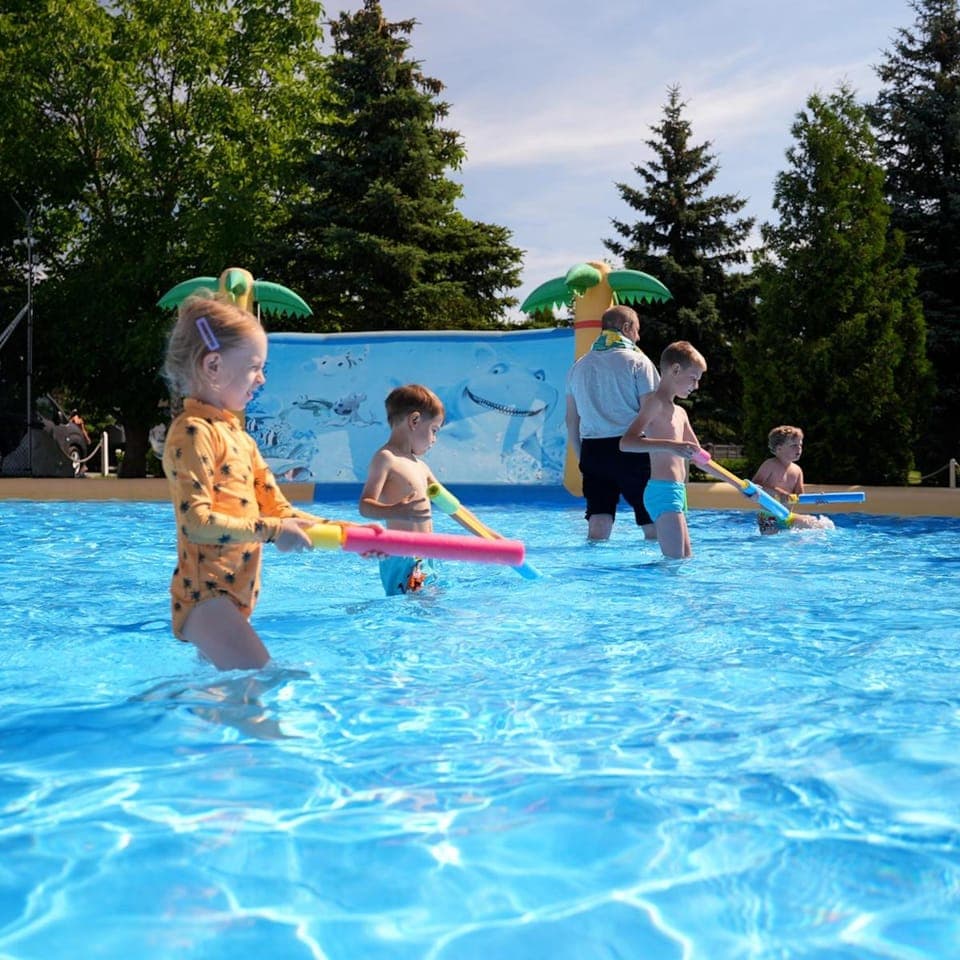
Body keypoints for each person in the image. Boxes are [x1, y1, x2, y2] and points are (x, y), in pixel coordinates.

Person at [161, 293, 369, 671]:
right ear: (214, 366)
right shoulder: (191, 433)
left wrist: (352, 535)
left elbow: (282, 512)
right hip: (205, 599)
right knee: (266, 687)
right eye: (255, 367)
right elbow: (197, 523)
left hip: (232, 599)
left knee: (220, 704)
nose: (262, 378)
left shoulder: (240, 439)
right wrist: (274, 532)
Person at [565, 304, 660, 541]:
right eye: (637, 330)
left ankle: (594, 572)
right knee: (651, 516)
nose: (638, 336)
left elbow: (571, 419)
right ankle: (661, 572)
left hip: (592, 450)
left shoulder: (579, 366)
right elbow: (652, 411)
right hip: (633, 448)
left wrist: (582, 455)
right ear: (626, 327)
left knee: (598, 515)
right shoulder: (638, 361)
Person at [619, 340, 721, 559]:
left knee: (683, 560)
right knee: (674, 564)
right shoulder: (655, 404)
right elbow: (626, 443)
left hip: (677, 492)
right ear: (675, 369)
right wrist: (671, 446)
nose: (696, 386)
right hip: (662, 491)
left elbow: (701, 459)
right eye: (693, 378)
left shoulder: (680, 413)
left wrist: (740, 486)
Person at [358, 384, 444, 595]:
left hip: (427, 555)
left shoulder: (421, 466)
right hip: (404, 557)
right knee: (418, 608)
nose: (434, 439)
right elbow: (365, 506)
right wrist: (396, 511)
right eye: (434, 430)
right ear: (414, 421)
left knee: (431, 606)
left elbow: (451, 505)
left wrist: (489, 536)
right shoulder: (386, 459)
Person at [752, 425, 829, 534]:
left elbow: (800, 496)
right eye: (794, 445)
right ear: (779, 449)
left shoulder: (797, 470)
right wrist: (778, 492)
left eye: (800, 445)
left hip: (787, 516)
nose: (799, 448)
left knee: (820, 525)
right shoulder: (770, 465)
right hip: (768, 516)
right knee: (771, 544)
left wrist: (816, 498)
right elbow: (755, 485)